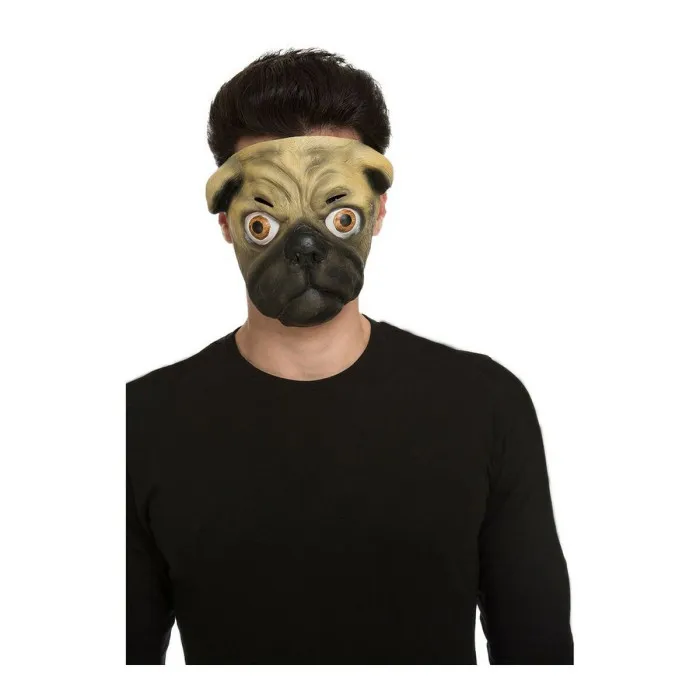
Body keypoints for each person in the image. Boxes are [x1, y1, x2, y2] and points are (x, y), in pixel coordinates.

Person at [126, 48, 574, 665]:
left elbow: (539, 658)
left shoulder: (486, 406)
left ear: (378, 210)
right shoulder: (140, 424)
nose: (305, 247)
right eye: (263, 224)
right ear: (226, 221)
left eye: (339, 216)